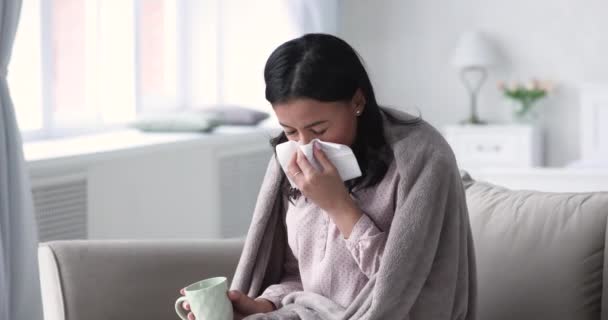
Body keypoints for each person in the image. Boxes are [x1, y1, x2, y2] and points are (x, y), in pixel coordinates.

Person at [179, 33, 476, 320]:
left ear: (357, 101)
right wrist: (264, 306)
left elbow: (406, 290)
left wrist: (339, 206)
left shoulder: (420, 158)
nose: (305, 146)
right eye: (290, 131)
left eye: (319, 130)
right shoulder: (290, 158)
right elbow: (299, 276)